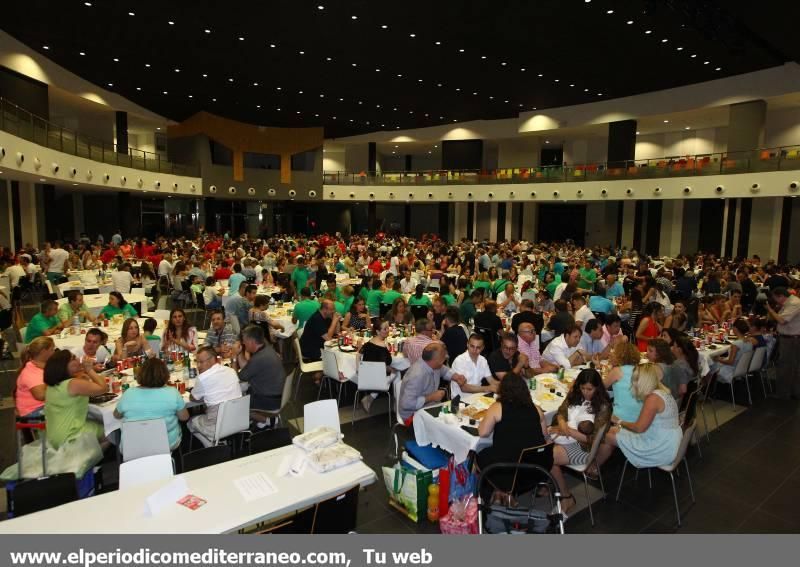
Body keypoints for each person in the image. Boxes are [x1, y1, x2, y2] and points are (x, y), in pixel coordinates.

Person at [476, 372, 552, 502]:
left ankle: (497, 493)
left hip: (510, 471)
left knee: (477, 455)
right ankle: (503, 494)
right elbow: (545, 437)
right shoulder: (536, 409)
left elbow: (483, 433)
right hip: (537, 469)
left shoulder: (498, 407)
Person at [550, 369, 612, 510]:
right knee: (539, 448)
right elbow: (561, 411)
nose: (585, 392)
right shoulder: (575, 395)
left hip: (584, 448)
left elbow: (594, 439)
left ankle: (566, 497)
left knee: (547, 456)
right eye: (582, 388)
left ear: (597, 387)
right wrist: (561, 423)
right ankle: (550, 480)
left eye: (589, 389)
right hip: (566, 436)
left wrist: (569, 431)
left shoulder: (603, 406)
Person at [602, 362, 682, 469]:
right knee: (612, 430)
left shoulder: (652, 398)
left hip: (660, 447)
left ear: (643, 380)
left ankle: (593, 467)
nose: (633, 383)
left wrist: (619, 421)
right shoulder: (662, 391)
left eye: (635, 379)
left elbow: (639, 428)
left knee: (605, 435)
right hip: (668, 441)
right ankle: (596, 466)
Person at [114, 358, 189, 451]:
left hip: (132, 447)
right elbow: (184, 417)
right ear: (165, 374)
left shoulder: (128, 393)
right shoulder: (172, 393)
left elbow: (116, 415)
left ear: (141, 374)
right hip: (166, 444)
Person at [43, 350, 107, 449]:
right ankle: (91, 460)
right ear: (63, 365)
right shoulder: (72, 384)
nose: (78, 360)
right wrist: (89, 370)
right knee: (111, 430)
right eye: (73, 358)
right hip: (70, 435)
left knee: (94, 421)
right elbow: (103, 388)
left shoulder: (51, 386)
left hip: (54, 435)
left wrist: (82, 372)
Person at [398, 342, 465, 422]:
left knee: (456, 417)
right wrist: (431, 397)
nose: (445, 358)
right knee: (449, 424)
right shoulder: (417, 375)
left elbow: (443, 370)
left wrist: (456, 377)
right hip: (412, 416)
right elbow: (407, 404)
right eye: (443, 358)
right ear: (435, 361)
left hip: (429, 406)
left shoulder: (433, 364)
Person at [234, 325, 286, 415]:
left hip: (269, 402)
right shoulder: (267, 348)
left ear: (251, 342)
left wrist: (234, 358)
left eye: (244, 341)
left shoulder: (259, 358)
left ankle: (259, 420)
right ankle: (266, 421)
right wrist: (239, 354)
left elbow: (237, 378)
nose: (243, 343)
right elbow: (248, 368)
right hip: (277, 396)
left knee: (233, 403)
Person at [765, 287, 800, 400]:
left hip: (791, 339)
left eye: (775, 298)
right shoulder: (790, 302)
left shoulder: (794, 303)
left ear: (781, 296)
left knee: (785, 366)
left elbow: (782, 320)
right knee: (793, 366)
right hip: (790, 338)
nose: (775, 301)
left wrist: (770, 310)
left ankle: (783, 394)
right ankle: (794, 391)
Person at [358, 320, 399, 412]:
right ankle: (397, 405)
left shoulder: (369, 342)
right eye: (385, 329)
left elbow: (358, 354)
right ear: (377, 331)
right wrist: (391, 368)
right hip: (377, 379)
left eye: (388, 328)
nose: (388, 330)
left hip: (364, 377)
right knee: (397, 371)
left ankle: (370, 396)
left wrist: (358, 369)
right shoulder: (382, 347)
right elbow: (387, 364)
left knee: (390, 370)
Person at [15, 337, 56, 418]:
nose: (54, 352)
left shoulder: (43, 366)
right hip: (33, 410)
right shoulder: (31, 371)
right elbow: (40, 396)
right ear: (44, 351)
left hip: (41, 405)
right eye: (52, 349)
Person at [603, 341, 644, 423]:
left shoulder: (617, 371)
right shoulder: (641, 370)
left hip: (621, 417)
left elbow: (601, 387)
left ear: (619, 355)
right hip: (640, 414)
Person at [714, 319, 754, 385]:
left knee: (710, 365)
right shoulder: (750, 342)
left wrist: (718, 359)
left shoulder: (736, 344)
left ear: (735, 329)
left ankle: (708, 390)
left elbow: (730, 362)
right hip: (743, 368)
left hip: (732, 369)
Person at [670, 335, 700, 401]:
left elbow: (683, 390)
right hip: (690, 401)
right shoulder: (692, 359)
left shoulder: (678, 365)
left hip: (679, 402)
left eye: (674, 346)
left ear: (679, 350)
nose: (671, 348)